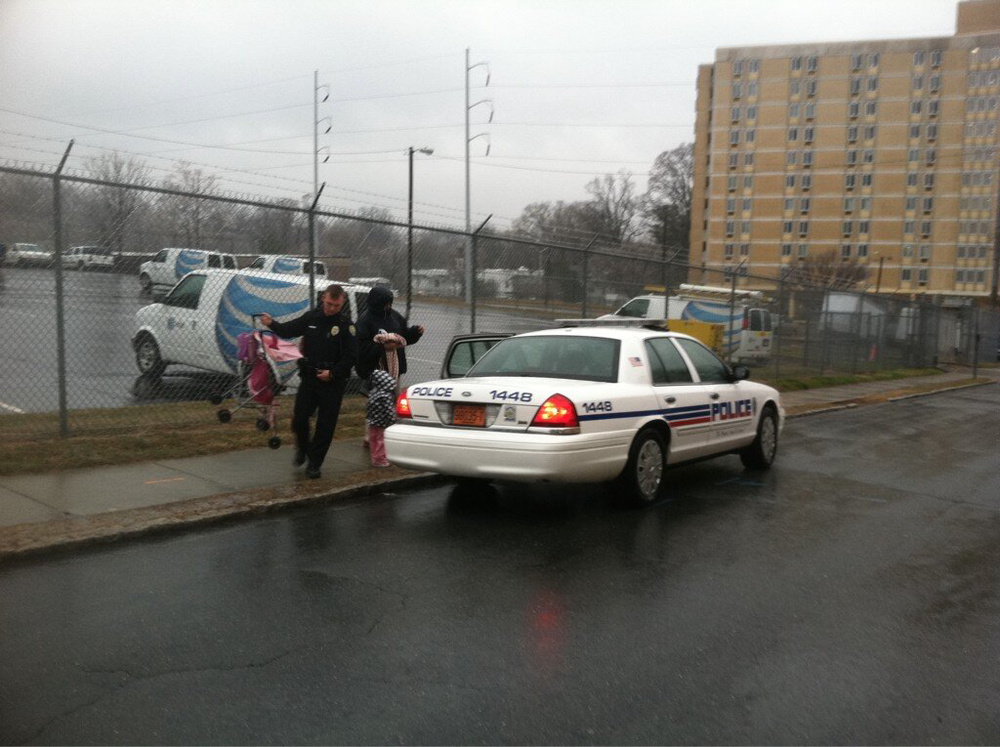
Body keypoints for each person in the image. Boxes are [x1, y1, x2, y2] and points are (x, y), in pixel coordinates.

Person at [259, 284, 356, 479]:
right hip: (310, 379)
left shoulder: (346, 325)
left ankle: (315, 463)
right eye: (329, 304)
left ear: (342, 302)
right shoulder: (312, 317)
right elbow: (289, 330)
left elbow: (351, 357)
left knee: (325, 425)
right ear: (323, 299)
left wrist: (333, 373)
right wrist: (271, 323)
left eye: (336, 305)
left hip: (332, 383)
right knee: (300, 419)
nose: (331, 309)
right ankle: (303, 448)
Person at [355, 286, 424, 447]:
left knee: (392, 402)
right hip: (377, 369)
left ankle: (389, 434)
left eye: (389, 303)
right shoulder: (365, 320)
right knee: (376, 404)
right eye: (385, 304)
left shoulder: (394, 317)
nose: (388, 307)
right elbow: (362, 347)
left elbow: (404, 335)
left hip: (395, 367)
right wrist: (382, 347)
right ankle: (370, 437)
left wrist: (415, 333)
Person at [365, 369, 397, 468]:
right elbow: (389, 410)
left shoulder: (373, 393)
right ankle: (380, 460)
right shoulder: (385, 396)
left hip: (372, 421)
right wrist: (393, 420)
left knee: (373, 440)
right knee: (381, 441)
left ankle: (374, 458)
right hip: (382, 423)